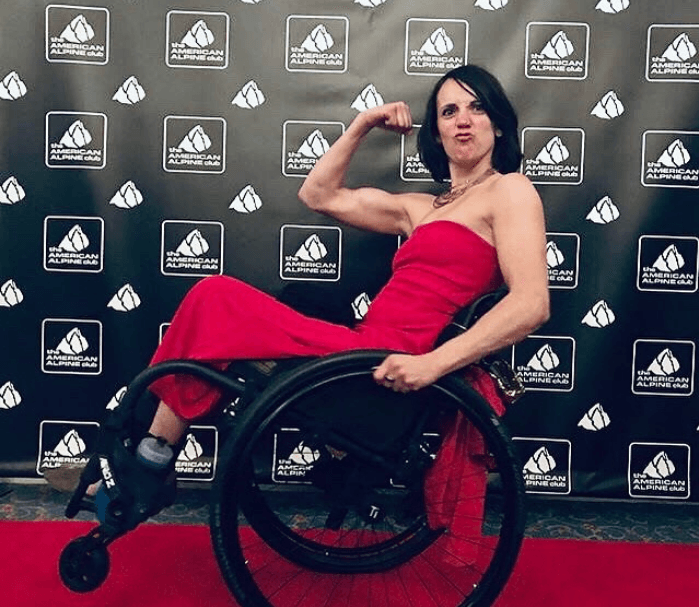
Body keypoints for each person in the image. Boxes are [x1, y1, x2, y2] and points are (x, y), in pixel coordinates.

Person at [73, 65, 549, 541]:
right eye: (449, 111)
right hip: (360, 348)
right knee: (242, 311)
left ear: (499, 123)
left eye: (476, 107)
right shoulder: (422, 208)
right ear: (438, 133)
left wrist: (431, 364)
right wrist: (362, 124)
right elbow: (317, 194)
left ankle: (147, 462)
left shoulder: (510, 190)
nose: (463, 120)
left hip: (383, 365)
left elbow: (530, 304)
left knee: (215, 296)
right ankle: (147, 459)